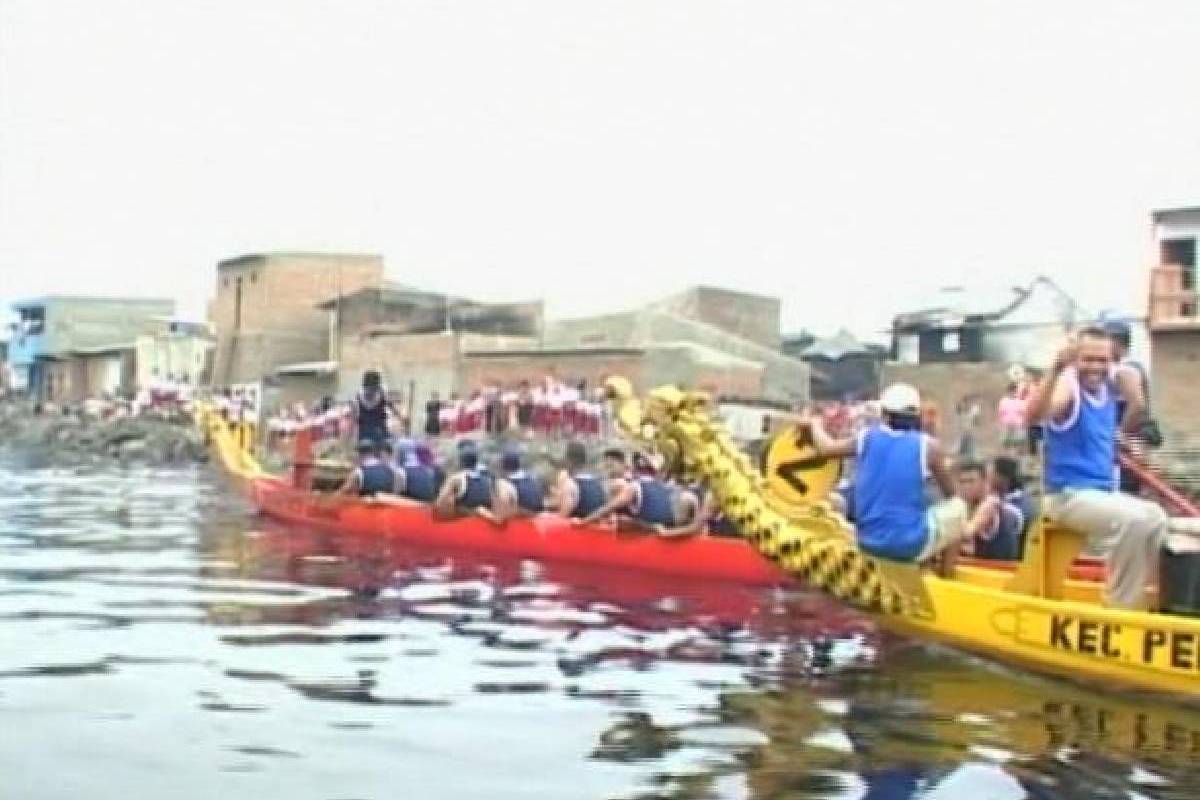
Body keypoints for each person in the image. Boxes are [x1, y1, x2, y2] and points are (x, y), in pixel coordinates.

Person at [1025, 327, 1168, 609]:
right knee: (1135, 521)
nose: (1095, 367)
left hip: (1101, 493)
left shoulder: (1108, 392)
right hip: (1067, 495)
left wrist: (1123, 437)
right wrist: (1055, 369)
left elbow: (1136, 408)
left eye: (1102, 360)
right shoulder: (1069, 388)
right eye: (1087, 359)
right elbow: (1035, 416)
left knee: (1157, 517)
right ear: (1075, 360)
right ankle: (1120, 608)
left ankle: (1142, 596)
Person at [805, 383, 992, 573]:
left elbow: (826, 448)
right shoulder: (930, 447)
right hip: (908, 546)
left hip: (868, 542)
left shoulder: (866, 437)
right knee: (959, 507)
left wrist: (815, 423)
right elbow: (951, 494)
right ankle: (946, 576)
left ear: (885, 415)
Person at [576, 459, 703, 537]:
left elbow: (608, 508)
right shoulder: (661, 485)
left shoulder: (632, 488)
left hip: (664, 525)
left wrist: (583, 522)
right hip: (671, 524)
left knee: (623, 521)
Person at [955, 461, 1021, 561]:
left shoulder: (990, 503)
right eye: (962, 482)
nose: (966, 486)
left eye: (971, 481)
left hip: (999, 571)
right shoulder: (970, 505)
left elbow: (966, 533)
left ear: (984, 482)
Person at [433, 440, 494, 519]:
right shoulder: (489, 478)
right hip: (483, 519)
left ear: (461, 461)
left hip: (463, 521)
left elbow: (439, 505)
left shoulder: (456, 478)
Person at [990, 455, 1035, 557]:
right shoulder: (1007, 498)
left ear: (1003, 478)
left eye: (992, 473)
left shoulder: (1017, 507)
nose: (989, 477)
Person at [553, 441, 609, 519]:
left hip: (577, 528)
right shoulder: (598, 483)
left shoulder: (570, 484)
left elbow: (562, 517)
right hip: (596, 527)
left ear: (568, 460)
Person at [493, 447, 545, 522]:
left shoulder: (505, 483)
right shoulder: (531, 479)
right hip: (537, 519)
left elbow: (501, 515)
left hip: (520, 522)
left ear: (503, 465)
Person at [350, 370, 400, 449]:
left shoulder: (382, 393)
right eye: (369, 388)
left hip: (378, 428)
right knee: (366, 449)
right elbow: (354, 418)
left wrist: (400, 416)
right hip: (366, 429)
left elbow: (391, 406)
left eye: (373, 388)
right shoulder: (358, 397)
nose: (371, 391)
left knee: (382, 447)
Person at [391, 438, 439, 502]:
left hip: (411, 508)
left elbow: (395, 496)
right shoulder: (428, 471)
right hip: (427, 507)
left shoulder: (401, 472)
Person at [997, 382, 1027, 457]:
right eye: (1011, 391)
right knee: (1006, 443)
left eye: (1014, 391)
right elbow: (1000, 413)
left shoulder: (1020, 402)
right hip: (1006, 425)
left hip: (1017, 426)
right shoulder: (1004, 401)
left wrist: (1023, 424)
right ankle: (1007, 458)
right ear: (1008, 391)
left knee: (1016, 443)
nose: (1013, 392)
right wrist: (1000, 424)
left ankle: (1015, 458)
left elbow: (1024, 414)